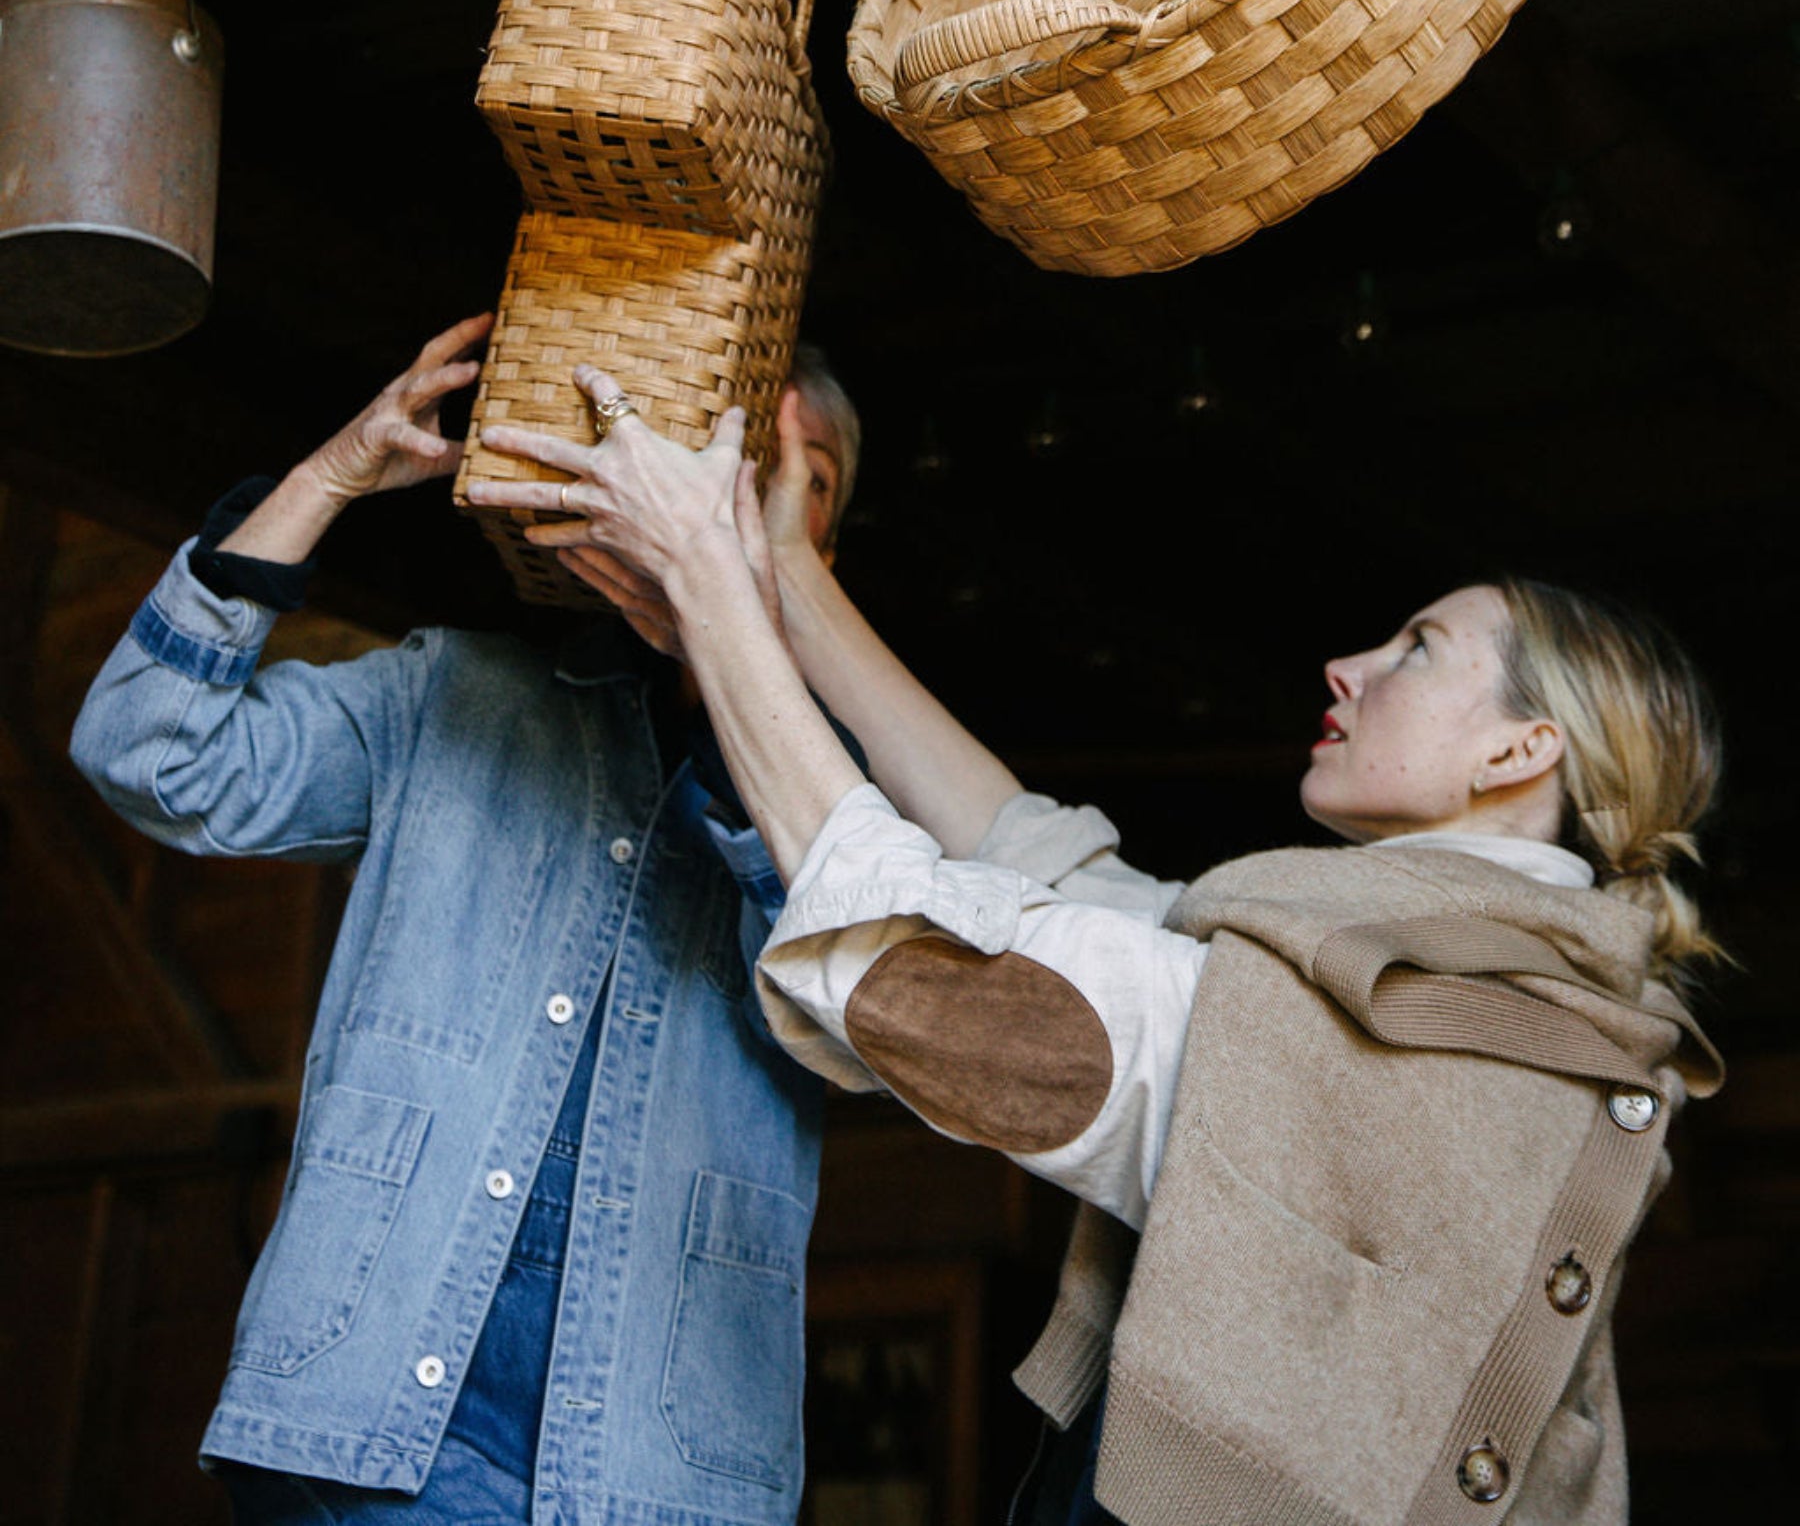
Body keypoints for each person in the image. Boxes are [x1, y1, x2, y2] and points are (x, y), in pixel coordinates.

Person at [468, 374, 1726, 1526]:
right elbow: (1047, 866)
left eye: (1417, 651)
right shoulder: (1443, 986)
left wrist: (708, 582)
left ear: (1519, 754)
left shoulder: (1445, 1039)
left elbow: (953, 994)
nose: (1347, 667)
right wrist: (789, 580)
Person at [70, 319, 862, 1526]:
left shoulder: (851, 824)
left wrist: (727, 651)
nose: (721, 504)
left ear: (828, 538)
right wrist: (328, 476)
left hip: (660, 1473)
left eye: (771, 481)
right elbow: (147, 747)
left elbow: (866, 1030)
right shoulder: (449, 694)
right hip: (372, 1417)